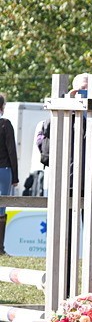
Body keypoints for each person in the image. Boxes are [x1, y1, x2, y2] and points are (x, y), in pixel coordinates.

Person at [0, 94, 18, 255]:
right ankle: (0, 247)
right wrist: (16, 177)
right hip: (3, 170)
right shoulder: (5, 124)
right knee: (1, 208)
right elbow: (12, 151)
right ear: (2, 107)